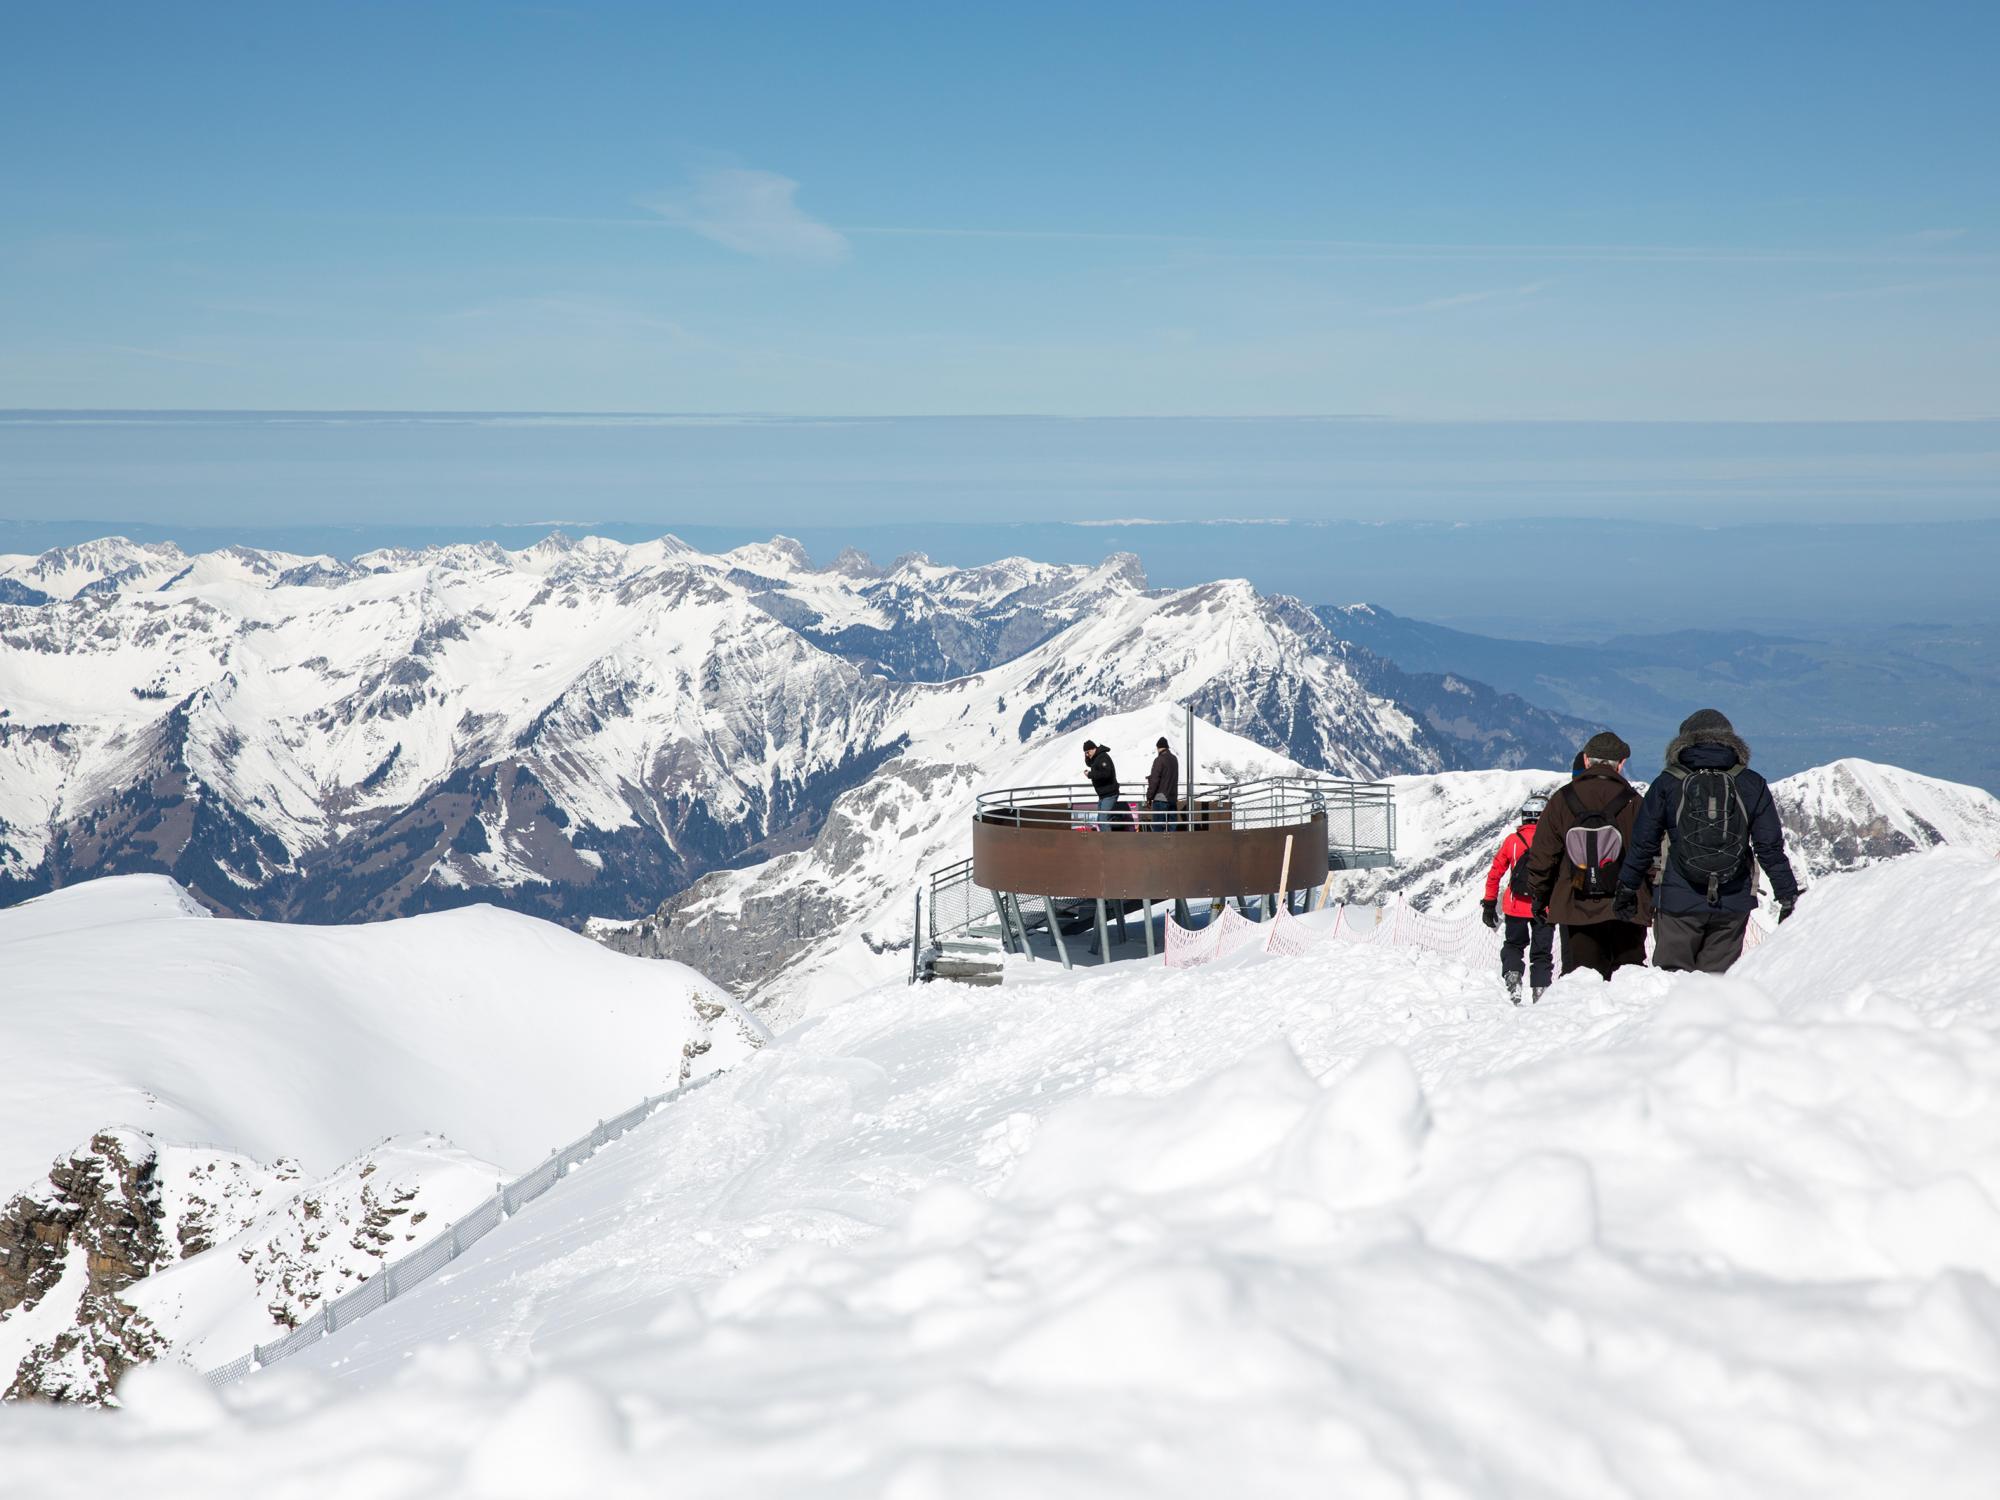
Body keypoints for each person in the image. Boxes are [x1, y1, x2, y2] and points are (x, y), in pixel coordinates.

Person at [1615, 709, 1802, 974]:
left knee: (1672, 979)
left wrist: (1627, 887)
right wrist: (1788, 896)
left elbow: (1643, 842)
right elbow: (1769, 847)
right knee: (1715, 984)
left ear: (1684, 742)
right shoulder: (1751, 784)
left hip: (1678, 898)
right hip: (1732, 901)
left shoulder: (1668, 783)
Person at [1521, 731, 1651, 981]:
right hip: (1627, 907)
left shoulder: (1562, 799)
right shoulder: (1635, 802)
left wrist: (1540, 896)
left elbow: (1543, 855)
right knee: (1629, 983)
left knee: (1583, 983)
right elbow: (1650, 854)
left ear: (1586, 760)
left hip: (1576, 904)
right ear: (1621, 764)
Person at [1481, 794, 1553, 1004]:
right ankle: (1540, 990)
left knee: (1513, 945)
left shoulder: (1512, 841)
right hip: (1544, 907)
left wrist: (1489, 903)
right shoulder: (1552, 841)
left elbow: (1495, 873)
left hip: (1515, 906)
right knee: (1542, 953)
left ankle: (1513, 975)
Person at [1081, 739, 1120, 829]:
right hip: (1103, 794)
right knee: (1100, 821)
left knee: (1103, 820)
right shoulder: (1096, 757)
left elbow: (1106, 773)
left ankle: (1107, 838)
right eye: (1085, 753)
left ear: (1093, 749)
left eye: (1087, 752)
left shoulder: (1102, 757)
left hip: (1109, 794)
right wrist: (1087, 756)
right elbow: (1089, 763)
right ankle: (1104, 837)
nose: (1087, 754)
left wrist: (1090, 774)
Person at [1144, 736, 1180, 831]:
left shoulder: (1159, 760)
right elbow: (1168, 776)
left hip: (1161, 798)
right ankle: (1172, 841)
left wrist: (1149, 797)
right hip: (1172, 797)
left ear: (1158, 747)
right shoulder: (1174, 759)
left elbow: (1155, 781)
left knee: (1157, 827)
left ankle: (1158, 841)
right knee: (1172, 827)